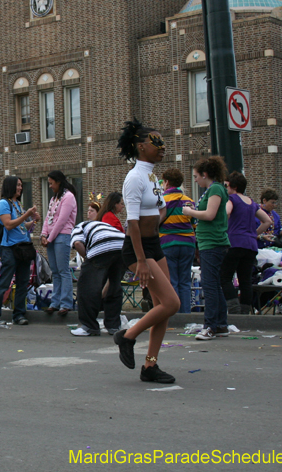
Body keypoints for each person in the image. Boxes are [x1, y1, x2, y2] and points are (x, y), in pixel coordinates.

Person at [112, 120, 179, 384]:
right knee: (172, 303)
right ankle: (126, 336)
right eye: (156, 142)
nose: (162, 147)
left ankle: (150, 365)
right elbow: (133, 223)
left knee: (163, 306)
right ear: (140, 147)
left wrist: (158, 219)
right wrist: (141, 260)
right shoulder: (135, 177)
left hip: (154, 245)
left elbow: (160, 208)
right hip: (137, 248)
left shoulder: (151, 176)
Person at [183, 156, 230, 341]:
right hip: (209, 242)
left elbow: (210, 214)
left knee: (209, 285)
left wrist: (190, 212)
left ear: (205, 174)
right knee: (214, 285)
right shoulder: (212, 189)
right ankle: (220, 324)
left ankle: (210, 325)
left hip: (212, 243)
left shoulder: (216, 189)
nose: (195, 180)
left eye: (196, 176)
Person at [0, 176, 40, 327]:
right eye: (18, 185)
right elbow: (8, 225)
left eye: (21, 185)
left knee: (23, 283)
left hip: (24, 247)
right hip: (10, 248)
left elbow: (22, 227)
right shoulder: (3, 203)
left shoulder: (17, 204)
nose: (20, 188)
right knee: (4, 283)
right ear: (10, 186)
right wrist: (26, 215)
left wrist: (33, 221)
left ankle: (19, 314)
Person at [220, 172, 272, 314]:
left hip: (234, 242)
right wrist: (254, 234)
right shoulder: (251, 203)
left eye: (227, 185)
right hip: (250, 245)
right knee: (245, 280)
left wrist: (222, 225)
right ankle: (245, 311)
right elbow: (267, 221)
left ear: (233, 186)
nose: (225, 188)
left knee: (224, 277)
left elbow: (227, 212)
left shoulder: (232, 199)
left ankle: (233, 307)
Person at [70, 220, 126, 336]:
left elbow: (77, 244)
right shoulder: (103, 226)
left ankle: (89, 327)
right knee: (114, 285)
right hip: (122, 246)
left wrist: (88, 260)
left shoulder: (78, 227)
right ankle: (113, 326)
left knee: (87, 287)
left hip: (102, 246)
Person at [159, 169, 196, 314]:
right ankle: (186, 315)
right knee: (185, 281)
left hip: (168, 243)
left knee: (172, 281)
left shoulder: (162, 200)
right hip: (188, 243)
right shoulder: (189, 201)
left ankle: (174, 314)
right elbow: (194, 224)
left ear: (167, 182)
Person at [41, 171, 77, 316]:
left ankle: (66, 303)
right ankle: (55, 302)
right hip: (51, 237)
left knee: (63, 271)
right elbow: (48, 217)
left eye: (51, 183)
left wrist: (50, 238)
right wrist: (43, 234)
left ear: (59, 182)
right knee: (55, 271)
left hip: (62, 236)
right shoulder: (54, 199)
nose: (50, 186)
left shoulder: (68, 197)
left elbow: (61, 220)